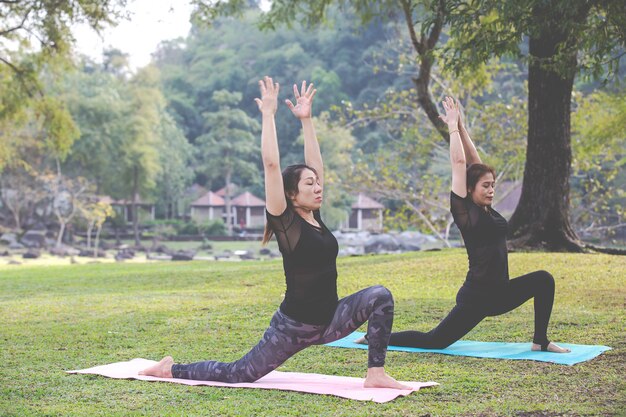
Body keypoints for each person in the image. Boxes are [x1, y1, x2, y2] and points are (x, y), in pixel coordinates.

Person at [139, 76, 409, 389]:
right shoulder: (287, 223)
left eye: (317, 183)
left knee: (380, 296)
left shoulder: (314, 216)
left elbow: (316, 166)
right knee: (238, 373)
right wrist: (269, 115)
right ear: (291, 194)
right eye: (309, 185)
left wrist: (306, 121)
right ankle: (170, 370)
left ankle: (375, 374)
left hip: (330, 320)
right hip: (293, 328)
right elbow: (271, 164)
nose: (318, 187)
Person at [358, 96, 570, 353]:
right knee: (433, 341)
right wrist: (451, 127)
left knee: (543, 280)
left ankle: (541, 341)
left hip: (502, 293)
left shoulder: (486, 209)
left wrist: (462, 127)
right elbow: (460, 163)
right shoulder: (464, 212)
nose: (491, 190)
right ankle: (375, 334)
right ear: (469, 189)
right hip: (477, 298)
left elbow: (474, 163)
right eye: (486, 186)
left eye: (493, 185)